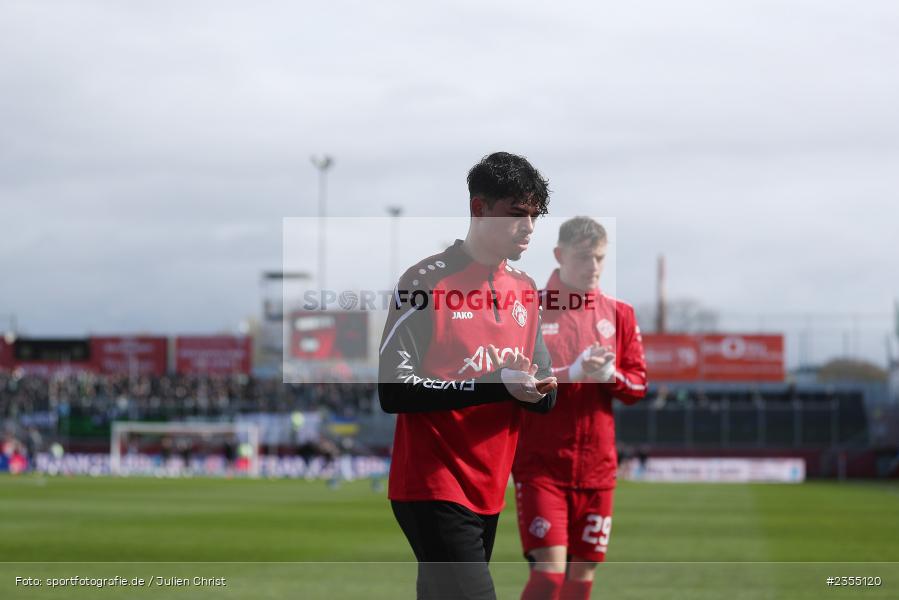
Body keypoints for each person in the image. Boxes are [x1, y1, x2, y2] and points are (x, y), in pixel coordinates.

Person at [379, 152, 559, 600]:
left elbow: (546, 391)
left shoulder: (525, 290)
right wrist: (497, 384)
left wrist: (534, 392)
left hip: (489, 486)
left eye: (535, 215)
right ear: (479, 209)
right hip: (432, 484)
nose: (529, 227)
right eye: (516, 214)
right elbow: (392, 390)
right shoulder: (424, 283)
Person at [512, 217, 648, 600]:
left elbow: (638, 386)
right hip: (542, 465)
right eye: (585, 257)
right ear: (559, 255)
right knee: (548, 578)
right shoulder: (530, 308)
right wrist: (570, 373)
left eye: (601, 258)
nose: (594, 267)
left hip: (597, 470)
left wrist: (610, 376)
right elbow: (515, 378)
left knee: (579, 582)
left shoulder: (620, 314)